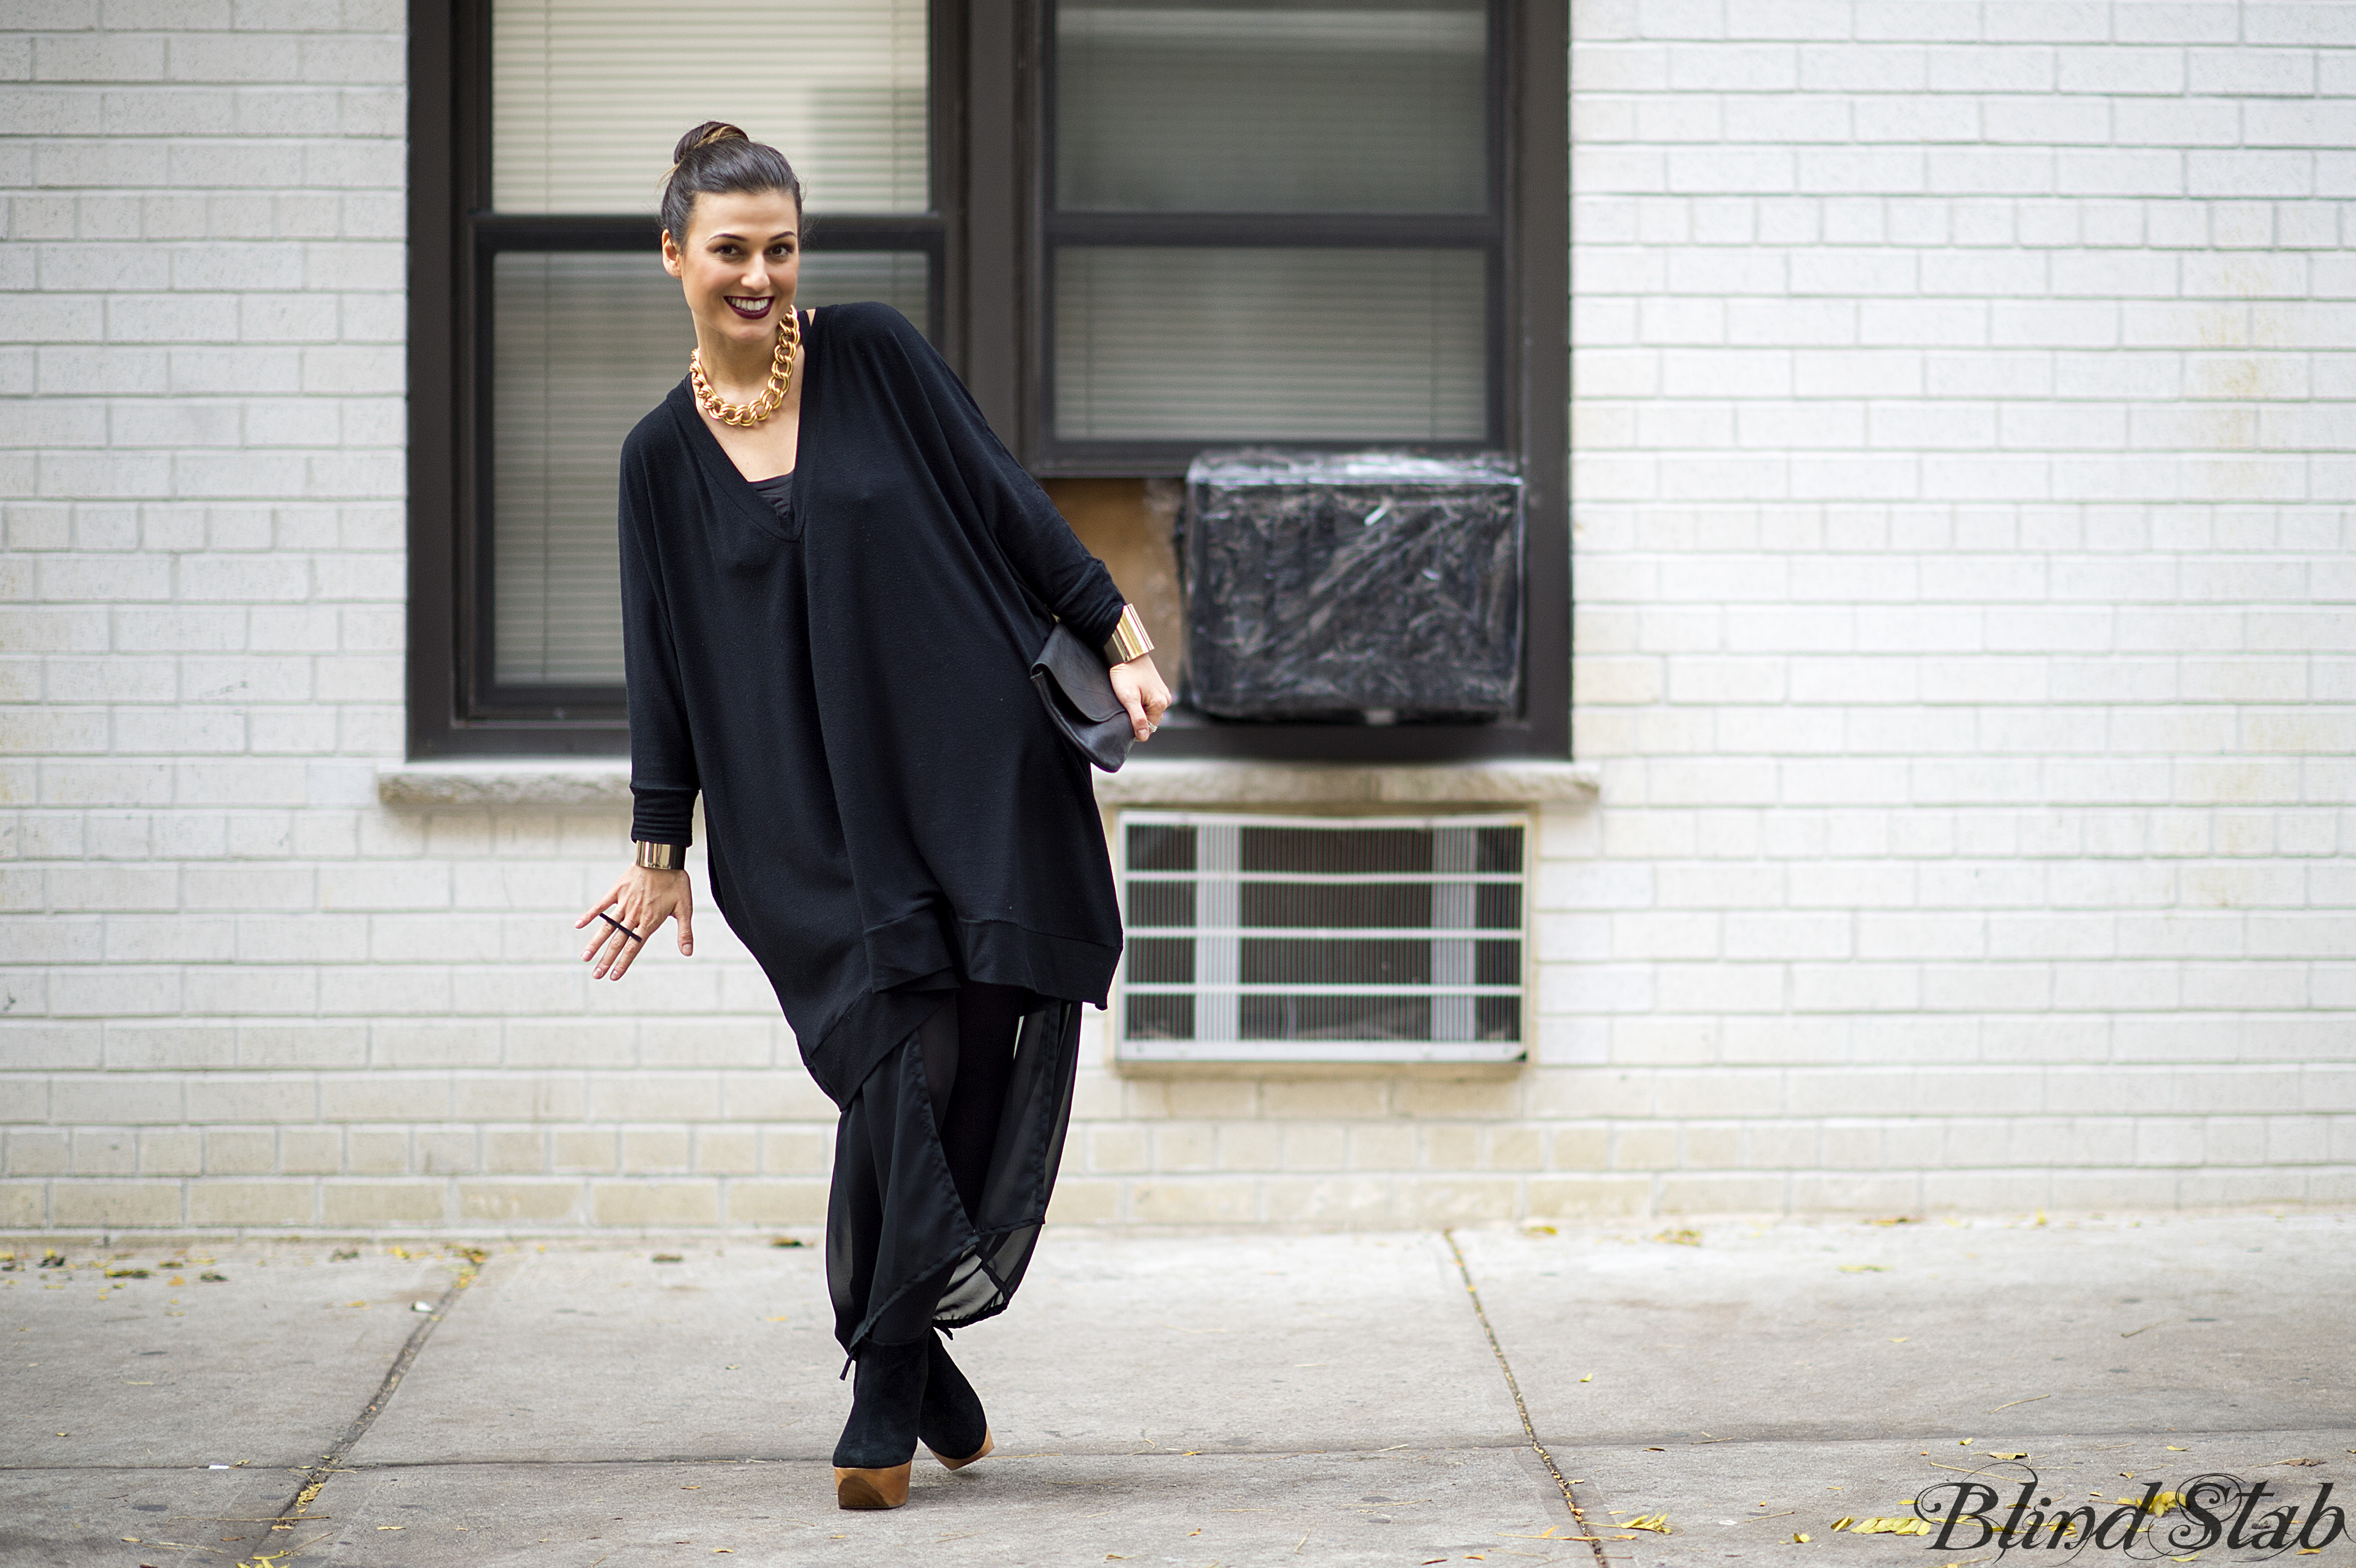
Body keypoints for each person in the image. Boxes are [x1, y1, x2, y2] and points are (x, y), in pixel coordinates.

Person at [572, 122, 1170, 1511]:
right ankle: (909, 1350)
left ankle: (891, 1370)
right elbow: (658, 660)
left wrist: (1116, 631)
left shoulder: (878, 359)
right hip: (797, 820)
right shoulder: (657, 459)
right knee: (897, 1049)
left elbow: (1003, 502)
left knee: (962, 1043)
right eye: (732, 250)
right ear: (673, 256)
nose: (762, 276)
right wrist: (661, 853)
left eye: (782, 247)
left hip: (962, 766)